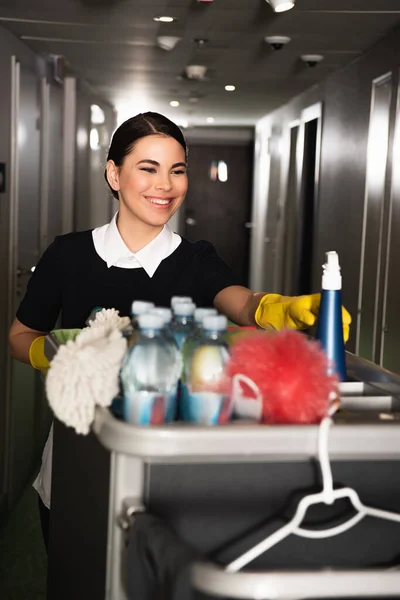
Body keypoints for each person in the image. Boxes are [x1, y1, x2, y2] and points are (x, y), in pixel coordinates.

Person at [8, 112, 351, 551]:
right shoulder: (69, 254)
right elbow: (20, 336)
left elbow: (239, 301)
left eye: (177, 170)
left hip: (170, 457)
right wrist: (56, 352)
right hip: (78, 455)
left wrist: (275, 309)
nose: (165, 186)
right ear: (114, 174)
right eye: (147, 169)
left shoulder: (196, 259)